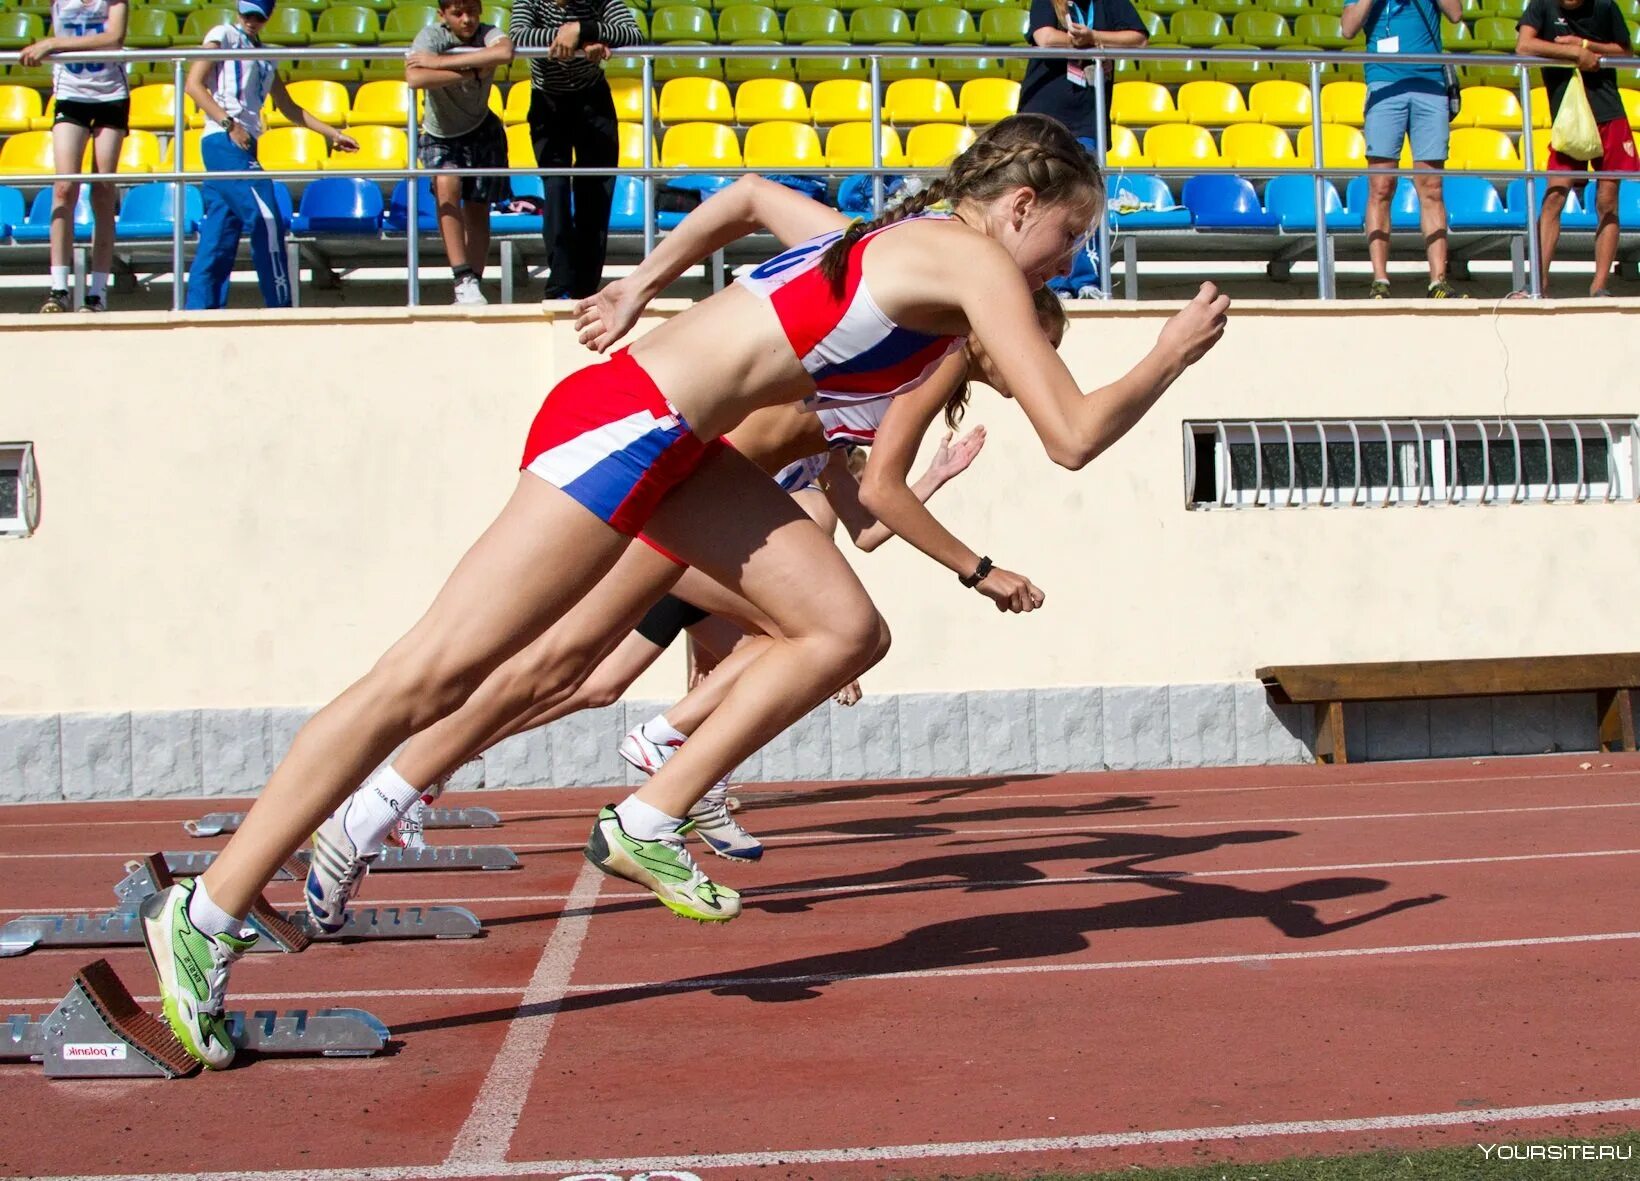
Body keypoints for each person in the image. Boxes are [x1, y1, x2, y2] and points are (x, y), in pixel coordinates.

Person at [138, 114, 1229, 1071]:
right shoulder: (974, 262)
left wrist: (644, 280)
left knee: (844, 626)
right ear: (1020, 206)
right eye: (1068, 238)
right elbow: (1074, 434)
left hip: (688, 449)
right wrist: (1171, 352)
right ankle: (212, 905)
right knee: (431, 672)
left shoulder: (898, 245)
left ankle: (649, 811)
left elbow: (753, 200)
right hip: (627, 425)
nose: (1066, 262)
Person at [310, 287, 1064, 898]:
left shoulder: (910, 366)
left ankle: (394, 797)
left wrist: (935, 481)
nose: (1039, 366)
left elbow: (864, 509)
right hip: (687, 486)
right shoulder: (934, 351)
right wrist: (978, 569)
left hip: (711, 500)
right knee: (561, 664)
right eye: (1040, 345)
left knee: (585, 671)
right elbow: (887, 493)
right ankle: (384, 801)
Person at [184, 0, 359, 310]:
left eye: (259, 16)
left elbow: (289, 108)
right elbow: (194, 85)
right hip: (225, 139)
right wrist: (229, 124)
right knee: (267, 218)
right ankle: (280, 304)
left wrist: (332, 133)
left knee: (219, 231)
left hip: (245, 141)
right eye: (248, 14)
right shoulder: (223, 34)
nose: (252, 21)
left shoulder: (266, 56)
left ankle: (200, 311)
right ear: (238, 11)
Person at [508, 0, 641, 300]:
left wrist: (583, 29)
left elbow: (633, 34)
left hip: (593, 100)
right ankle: (559, 284)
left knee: (596, 191)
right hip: (548, 102)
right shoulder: (529, 2)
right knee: (555, 190)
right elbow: (517, 36)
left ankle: (586, 287)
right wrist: (581, 40)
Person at [1020, 0, 1147, 299]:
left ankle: (1087, 280)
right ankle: (1052, 284)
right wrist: (1085, 42)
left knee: (1085, 201)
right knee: (1049, 199)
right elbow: (1046, 38)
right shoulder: (1048, 2)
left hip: (1088, 119)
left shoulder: (1109, 3)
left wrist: (1093, 38)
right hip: (1045, 118)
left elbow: (1139, 39)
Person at [1341, 0, 1466, 299]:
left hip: (1430, 84)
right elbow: (1347, 29)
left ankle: (1438, 280)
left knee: (1431, 187)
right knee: (1381, 185)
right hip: (1384, 84)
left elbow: (1455, 13)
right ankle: (1380, 279)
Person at [1516, 0, 1636, 296]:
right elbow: (1524, 46)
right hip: (1568, 117)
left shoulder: (1605, 6)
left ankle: (1599, 286)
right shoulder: (1541, 5)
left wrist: (1583, 42)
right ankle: (1538, 285)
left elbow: (1625, 50)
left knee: (1608, 200)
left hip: (1607, 111)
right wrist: (1574, 53)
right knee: (1555, 195)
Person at [21, 0, 128, 313]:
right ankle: (59, 288)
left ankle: (97, 292)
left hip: (110, 95)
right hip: (71, 93)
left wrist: (54, 43)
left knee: (103, 190)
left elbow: (114, 37)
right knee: (64, 187)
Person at [405, 0, 515, 305]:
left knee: (478, 207)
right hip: (441, 133)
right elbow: (415, 77)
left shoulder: (488, 32)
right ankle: (461, 276)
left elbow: (504, 52)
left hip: (481, 127)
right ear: (443, 15)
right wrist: (470, 72)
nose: (467, 20)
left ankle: (474, 283)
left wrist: (439, 63)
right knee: (446, 185)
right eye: (457, 13)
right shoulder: (431, 36)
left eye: (472, 11)